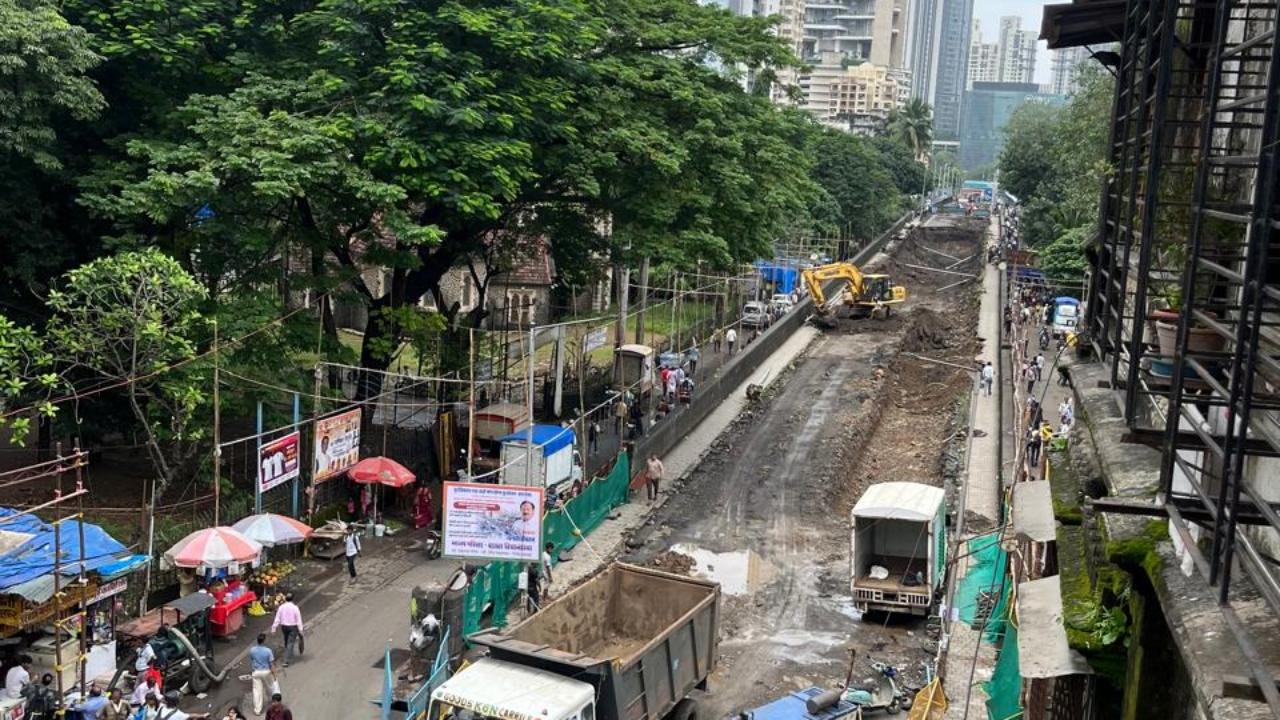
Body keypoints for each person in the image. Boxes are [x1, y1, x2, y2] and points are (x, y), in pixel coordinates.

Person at [271, 593, 304, 667]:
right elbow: (298, 619)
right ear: (292, 599)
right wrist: (300, 629)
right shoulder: (295, 608)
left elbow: (277, 618)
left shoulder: (281, 607)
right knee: (290, 643)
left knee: (286, 641)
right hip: (293, 627)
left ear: (285, 599)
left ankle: (288, 653)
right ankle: (286, 660)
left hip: (284, 627)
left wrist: (274, 628)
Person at [248, 634, 276, 716]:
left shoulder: (252, 650)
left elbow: (252, 660)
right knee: (270, 688)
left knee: (257, 691)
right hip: (266, 672)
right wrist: (274, 674)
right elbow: (271, 664)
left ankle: (257, 710)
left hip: (256, 672)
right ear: (264, 641)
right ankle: (273, 703)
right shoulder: (268, 651)